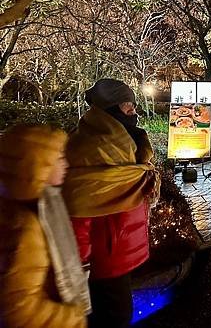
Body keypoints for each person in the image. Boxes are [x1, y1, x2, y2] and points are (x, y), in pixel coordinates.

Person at [62, 79, 160, 328]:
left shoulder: (130, 140)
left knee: (115, 313)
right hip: (104, 257)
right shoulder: (88, 147)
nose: (134, 114)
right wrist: (80, 263)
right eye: (128, 108)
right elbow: (79, 205)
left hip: (119, 249)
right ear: (109, 111)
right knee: (114, 317)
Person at [0, 124, 90, 328]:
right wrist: (73, 317)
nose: (66, 164)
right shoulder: (27, 227)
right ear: (35, 167)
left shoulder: (15, 206)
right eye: (59, 158)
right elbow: (18, 310)